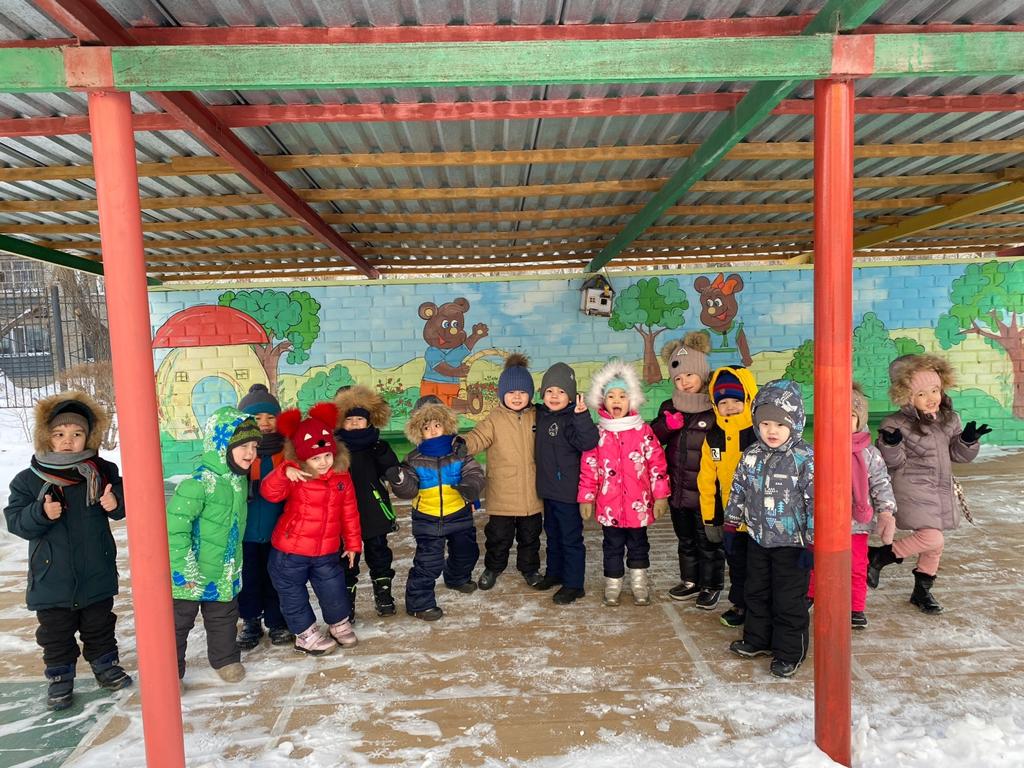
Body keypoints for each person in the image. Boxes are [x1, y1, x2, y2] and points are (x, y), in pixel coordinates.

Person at [4, 392, 132, 710]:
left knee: (99, 625)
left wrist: (116, 500)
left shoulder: (102, 472)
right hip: (52, 577)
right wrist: (40, 513)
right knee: (56, 633)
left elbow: (129, 497)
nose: (68, 441)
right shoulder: (28, 480)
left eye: (77, 434)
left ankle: (105, 665)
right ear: (46, 437)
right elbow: (16, 521)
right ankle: (60, 677)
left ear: (89, 437)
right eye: (59, 434)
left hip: (96, 570)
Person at [868, 354, 986, 614]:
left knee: (935, 544)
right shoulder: (894, 424)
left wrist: (967, 441)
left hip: (939, 488)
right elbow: (892, 463)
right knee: (932, 537)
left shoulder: (949, 419)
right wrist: (890, 444)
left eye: (935, 390)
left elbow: (958, 456)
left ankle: (922, 592)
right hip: (910, 488)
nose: (931, 398)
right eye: (921, 394)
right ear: (906, 397)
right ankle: (880, 556)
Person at [725, 380, 814, 678]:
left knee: (788, 600)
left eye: (779, 424)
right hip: (758, 539)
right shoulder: (752, 454)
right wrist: (731, 523)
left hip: (793, 544)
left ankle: (789, 652)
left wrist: (813, 541)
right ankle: (758, 639)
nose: (771, 431)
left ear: (795, 423)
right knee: (756, 591)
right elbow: (738, 490)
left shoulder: (805, 459)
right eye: (764, 423)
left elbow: (816, 502)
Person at [168, 406, 262, 684]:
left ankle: (226, 659)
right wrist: (184, 566)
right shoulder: (197, 484)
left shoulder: (239, 482)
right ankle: (170, 673)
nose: (250, 453)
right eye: (243, 446)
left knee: (224, 617)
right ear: (222, 446)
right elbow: (174, 528)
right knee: (177, 624)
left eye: (254, 446)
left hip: (223, 569)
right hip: (189, 571)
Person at [261, 403, 361, 654]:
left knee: (333, 588)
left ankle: (338, 624)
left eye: (327, 455)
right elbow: (269, 493)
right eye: (315, 458)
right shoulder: (296, 474)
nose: (323, 462)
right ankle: (305, 634)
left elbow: (349, 512)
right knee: (293, 594)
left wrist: (352, 543)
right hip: (290, 551)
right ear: (304, 458)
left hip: (326, 550)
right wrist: (284, 471)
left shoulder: (342, 476)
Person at [578, 360, 670, 607]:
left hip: (638, 505)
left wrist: (661, 496)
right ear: (603, 401)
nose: (616, 400)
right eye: (611, 396)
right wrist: (586, 498)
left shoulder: (643, 432)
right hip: (610, 507)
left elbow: (657, 465)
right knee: (612, 546)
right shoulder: (598, 434)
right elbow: (589, 468)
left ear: (632, 400)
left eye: (622, 395)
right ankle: (613, 583)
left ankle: (639, 582)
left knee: (638, 545)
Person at [806, 383, 897, 629]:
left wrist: (886, 511)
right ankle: (810, 594)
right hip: (823, 522)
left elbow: (881, 483)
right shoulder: (817, 451)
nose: (842, 422)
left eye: (850, 416)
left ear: (860, 419)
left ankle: (855, 607)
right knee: (815, 562)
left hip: (855, 525)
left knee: (856, 566)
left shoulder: (870, 454)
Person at [388, 400, 485, 620]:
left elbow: (475, 473)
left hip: (459, 514)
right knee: (428, 563)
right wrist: (399, 480)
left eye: (437, 425)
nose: (432, 431)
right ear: (418, 431)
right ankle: (419, 603)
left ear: (446, 426)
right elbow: (409, 490)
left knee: (466, 553)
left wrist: (470, 486)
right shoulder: (413, 459)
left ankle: (457, 578)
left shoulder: (459, 453)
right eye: (426, 427)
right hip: (428, 519)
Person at [651, 331, 723, 609]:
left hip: (707, 493)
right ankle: (690, 581)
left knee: (708, 541)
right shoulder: (670, 407)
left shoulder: (715, 408)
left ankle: (711, 585)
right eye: (678, 378)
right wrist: (666, 426)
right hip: (679, 489)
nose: (684, 382)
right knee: (686, 539)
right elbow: (652, 438)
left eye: (690, 375)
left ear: (702, 374)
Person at [464, 354, 544, 591]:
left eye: (522, 392)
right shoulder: (494, 419)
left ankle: (529, 569)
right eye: (511, 392)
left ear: (530, 394)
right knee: (498, 536)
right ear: (502, 394)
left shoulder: (538, 416)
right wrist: (461, 444)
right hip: (502, 491)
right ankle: (493, 567)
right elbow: (477, 437)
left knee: (530, 536)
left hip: (532, 492)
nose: (517, 397)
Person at [696, 365, 759, 628]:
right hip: (731, 518)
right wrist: (711, 519)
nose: (730, 407)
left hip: (762, 519)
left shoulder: (760, 432)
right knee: (737, 564)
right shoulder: (713, 437)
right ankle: (740, 605)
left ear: (749, 399)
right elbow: (707, 481)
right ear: (715, 404)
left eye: (736, 400)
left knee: (761, 566)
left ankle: (761, 607)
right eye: (723, 402)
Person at [533, 362, 599, 605]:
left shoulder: (573, 419)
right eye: (550, 391)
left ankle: (573, 584)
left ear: (571, 396)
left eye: (561, 391)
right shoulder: (541, 415)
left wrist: (582, 416)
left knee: (570, 539)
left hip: (568, 492)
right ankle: (555, 573)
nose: (554, 396)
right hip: (548, 490)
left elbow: (588, 442)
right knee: (552, 536)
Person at [334, 385, 401, 618]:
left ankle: (383, 595)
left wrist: (384, 455)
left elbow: (392, 470)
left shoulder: (377, 445)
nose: (354, 423)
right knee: (346, 560)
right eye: (349, 419)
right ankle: (346, 604)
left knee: (379, 555)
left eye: (359, 419)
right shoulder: (334, 448)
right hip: (342, 516)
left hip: (373, 511)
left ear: (369, 421)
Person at [235, 384, 293, 651]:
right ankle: (250, 620)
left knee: (276, 577)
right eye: (257, 418)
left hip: (277, 529)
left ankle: (277, 621)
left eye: (271, 417)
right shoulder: (237, 453)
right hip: (245, 531)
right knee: (248, 578)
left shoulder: (286, 451)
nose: (265, 423)